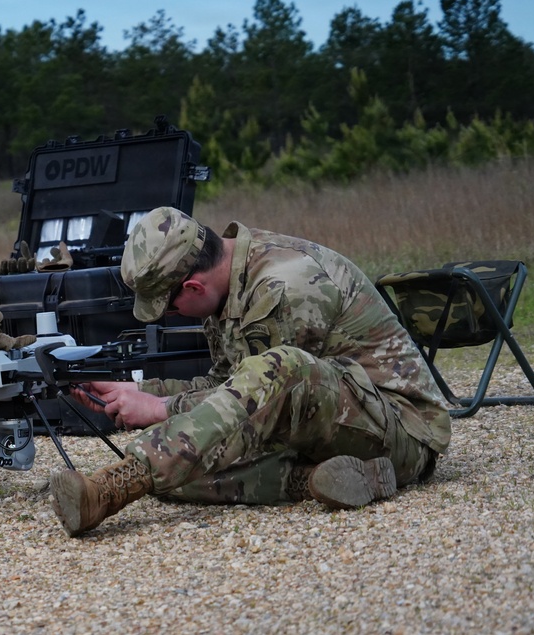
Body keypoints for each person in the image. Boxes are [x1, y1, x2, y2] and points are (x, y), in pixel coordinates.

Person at [49, 207, 451, 537]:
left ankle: (112, 488)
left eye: (168, 308)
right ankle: (312, 480)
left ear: (192, 287)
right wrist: (134, 389)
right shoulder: (229, 283)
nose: (169, 317)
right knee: (184, 463)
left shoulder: (284, 287)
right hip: (331, 425)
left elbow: (264, 396)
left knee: (245, 400)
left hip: (402, 431)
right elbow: (227, 388)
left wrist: (159, 409)